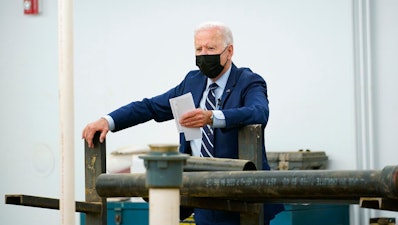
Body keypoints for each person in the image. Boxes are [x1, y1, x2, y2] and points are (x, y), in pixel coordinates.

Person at [82, 21, 283, 225]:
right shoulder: (192, 82)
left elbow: (259, 113)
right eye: (199, 49)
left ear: (229, 51)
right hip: (202, 199)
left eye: (211, 48)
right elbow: (150, 107)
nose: (204, 54)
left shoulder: (248, 81)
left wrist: (212, 117)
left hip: (242, 199)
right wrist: (108, 120)